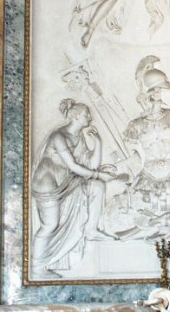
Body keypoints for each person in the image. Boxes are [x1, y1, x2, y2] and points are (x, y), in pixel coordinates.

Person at [31, 98, 119, 278]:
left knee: (97, 186)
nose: (90, 118)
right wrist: (100, 175)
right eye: (87, 115)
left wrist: (98, 144)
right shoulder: (58, 136)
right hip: (48, 184)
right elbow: (74, 166)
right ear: (76, 116)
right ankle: (37, 266)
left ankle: (91, 230)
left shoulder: (79, 137)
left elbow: (91, 166)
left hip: (65, 182)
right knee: (50, 224)